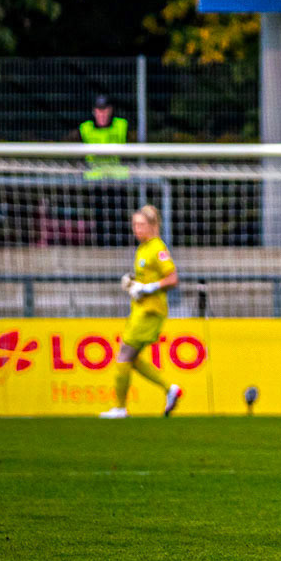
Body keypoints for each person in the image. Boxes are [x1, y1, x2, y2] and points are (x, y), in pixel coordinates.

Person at [101, 205, 184, 419]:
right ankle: (170, 389)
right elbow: (146, 280)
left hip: (150, 312)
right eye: (134, 225)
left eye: (141, 224)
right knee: (132, 358)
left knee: (123, 356)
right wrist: (133, 284)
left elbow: (172, 278)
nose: (136, 229)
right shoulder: (142, 249)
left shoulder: (157, 248)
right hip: (139, 309)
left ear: (153, 225)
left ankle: (120, 408)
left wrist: (148, 288)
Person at [80, 93, 131, 247]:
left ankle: (120, 247)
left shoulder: (121, 125)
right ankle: (101, 248)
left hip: (117, 180)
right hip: (95, 181)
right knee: (99, 218)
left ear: (110, 110)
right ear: (94, 111)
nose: (102, 114)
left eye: (105, 110)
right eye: (99, 110)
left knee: (119, 218)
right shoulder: (85, 128)